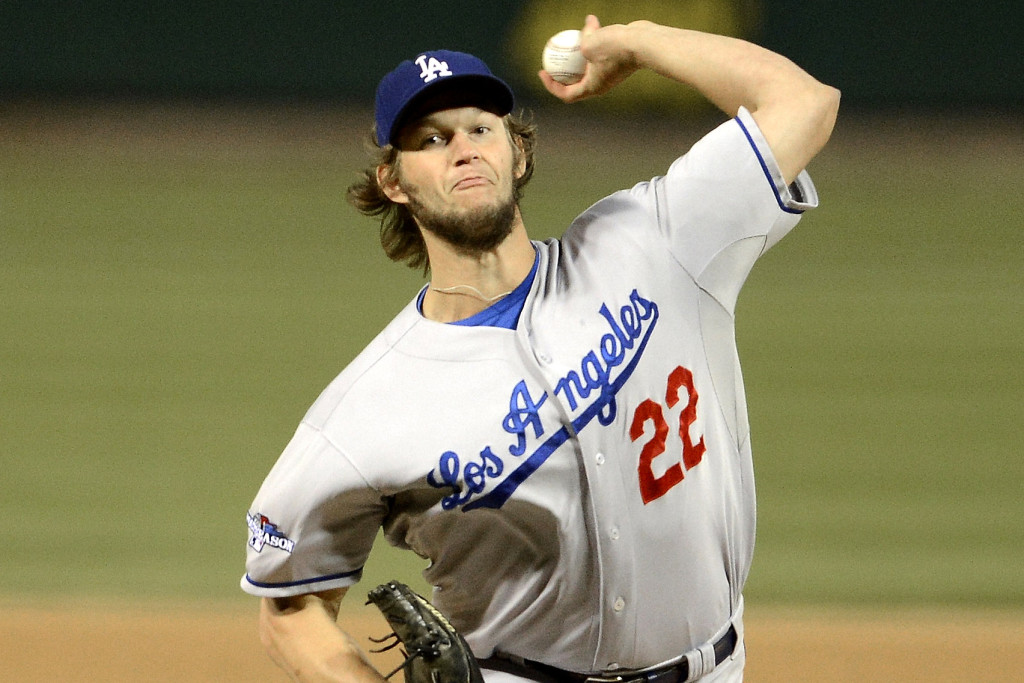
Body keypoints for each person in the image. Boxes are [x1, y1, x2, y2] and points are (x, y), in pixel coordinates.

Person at [242, 14, 839, 683]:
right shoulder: (365, 408)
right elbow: (290, 607)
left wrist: (640, 41)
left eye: (479, 128)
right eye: (431, 139)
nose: (462, 149)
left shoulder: (654, 242)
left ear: (516, 152)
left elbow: (804, 103)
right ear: (394, 182)